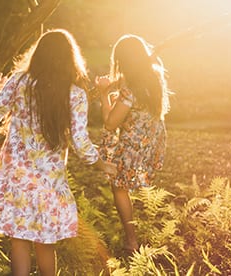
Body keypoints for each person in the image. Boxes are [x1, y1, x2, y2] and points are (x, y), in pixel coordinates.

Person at [0, 29, 117, 276]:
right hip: (48, 181)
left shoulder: (19, 82)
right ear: (70, 59)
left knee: (19, 238)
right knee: (45, 241)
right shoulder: (75, 94)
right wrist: (102, 164)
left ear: (38, 55)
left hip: (15, 175)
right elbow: (81, 142)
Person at [95, 34, 170, 255]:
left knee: (119, 187)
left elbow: (110, 123)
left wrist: (103, 94)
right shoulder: (154, 77)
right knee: (131, 184)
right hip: (151, 140)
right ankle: (139, 232)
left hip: (135, 144)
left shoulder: (129, 91)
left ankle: (131, 241)